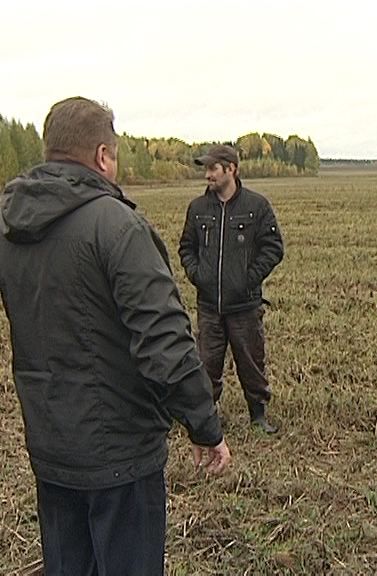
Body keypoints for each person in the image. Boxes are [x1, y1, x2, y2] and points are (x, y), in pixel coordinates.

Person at [0, 96, 231, 575]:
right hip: (120, 454)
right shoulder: (116, 225)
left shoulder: (8, 226)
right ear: (103, 155)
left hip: (50, 444)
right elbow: (165, 341)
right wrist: (203, 425)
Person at [179, 144, 284, 434]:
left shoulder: (256, 206)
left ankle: (258, 416)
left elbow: (273, 248)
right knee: (206, 365)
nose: (207, 175)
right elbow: (186, 247)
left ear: (231, 169)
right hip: (209, 306)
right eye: (206, 169)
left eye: (213, 168)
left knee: (251, 361)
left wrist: (249, 279)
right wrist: (198, 275)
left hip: (245, 305)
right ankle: (206, 419)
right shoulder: (198, 209)